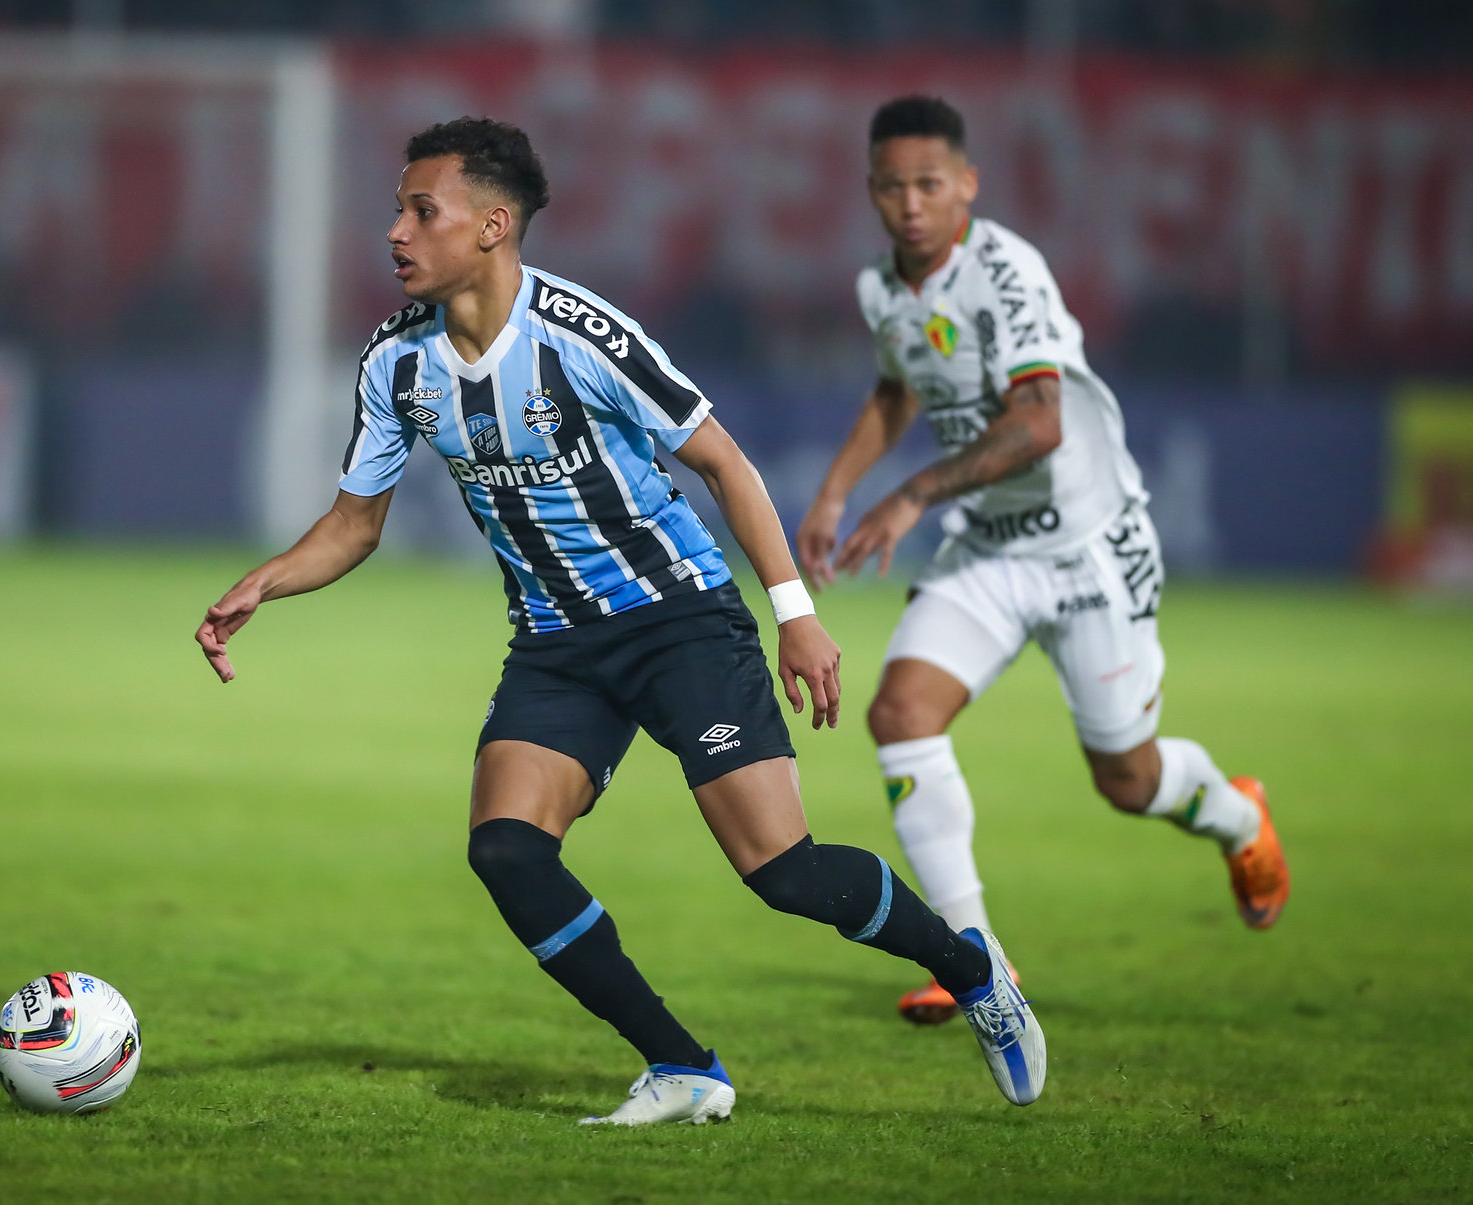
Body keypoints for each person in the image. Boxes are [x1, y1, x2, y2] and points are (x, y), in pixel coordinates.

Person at [198, 117, 1046, 1123]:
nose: (396, 231)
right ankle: (683, 1066)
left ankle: (971, 970)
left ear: (491, 225)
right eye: (397, 210)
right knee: (506, 852)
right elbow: (353, 524)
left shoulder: (581, 335)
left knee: (783, 872)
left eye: (421, 211)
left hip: (679, 621)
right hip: (556, 645)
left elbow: (723, 462)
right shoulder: (395, 362)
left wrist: (795, 615)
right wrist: (263, 583)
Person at [795, 96, 1291, 1027]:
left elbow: (1040, 422)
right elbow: (899, 388)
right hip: (989, 547)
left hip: (1085, 548)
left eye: (929, 184)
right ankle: (976, 958)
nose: (911, 204)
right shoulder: (881, 288)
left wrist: (909, 495)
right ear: (871, 192)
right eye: (893, 187)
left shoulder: (1007, 272)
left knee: (1128, 780)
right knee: (900, 712)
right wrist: (834, 492)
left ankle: (1238, 815)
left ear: (967, 185)